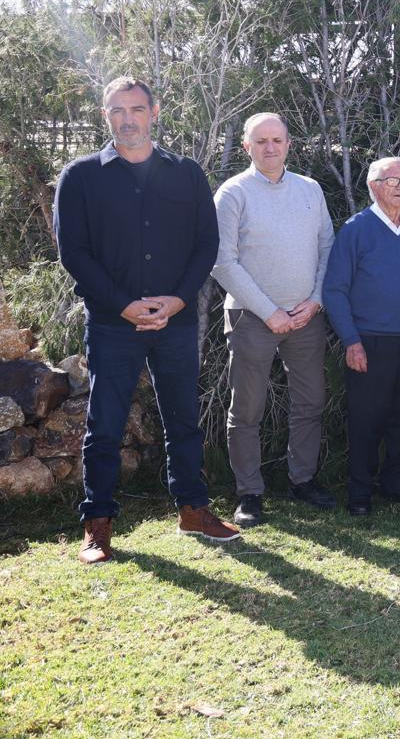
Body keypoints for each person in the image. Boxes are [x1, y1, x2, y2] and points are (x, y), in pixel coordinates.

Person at [54, 76, 239, 563]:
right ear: (105, 116)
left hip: (175, 322)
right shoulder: (81, 177)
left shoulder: (186, 174)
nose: (128, 119)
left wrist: (178, 301)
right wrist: (124, 304)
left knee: (182, 417)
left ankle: (193, 510)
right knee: (106, 424)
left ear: (154, 113)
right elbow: (73, 252)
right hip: (114, 323)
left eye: (137, 109)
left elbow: (206, 245)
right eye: (118, 110)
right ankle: (98, 525)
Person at [211, 113, 337, 527]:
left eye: (276, 140)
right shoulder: (233, 193)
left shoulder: (310, 189)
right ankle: (249, 492)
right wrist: (270, 312)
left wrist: (316, 300)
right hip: (251, 317)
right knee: (247, 408)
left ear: (288, 144)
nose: (270, 147)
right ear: (247, 147)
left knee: (311, 402)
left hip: (306, 317)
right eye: (260, 141)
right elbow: (222, 262)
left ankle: (302, 480)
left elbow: (327, 247)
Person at [322, 156, 400, 516]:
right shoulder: (356, 230)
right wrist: (351, 340)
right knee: (366, 419)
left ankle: (396, 483)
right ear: (374, 186)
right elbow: (334, 291)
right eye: (394, 181)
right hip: (371, 341)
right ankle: (359, 491)